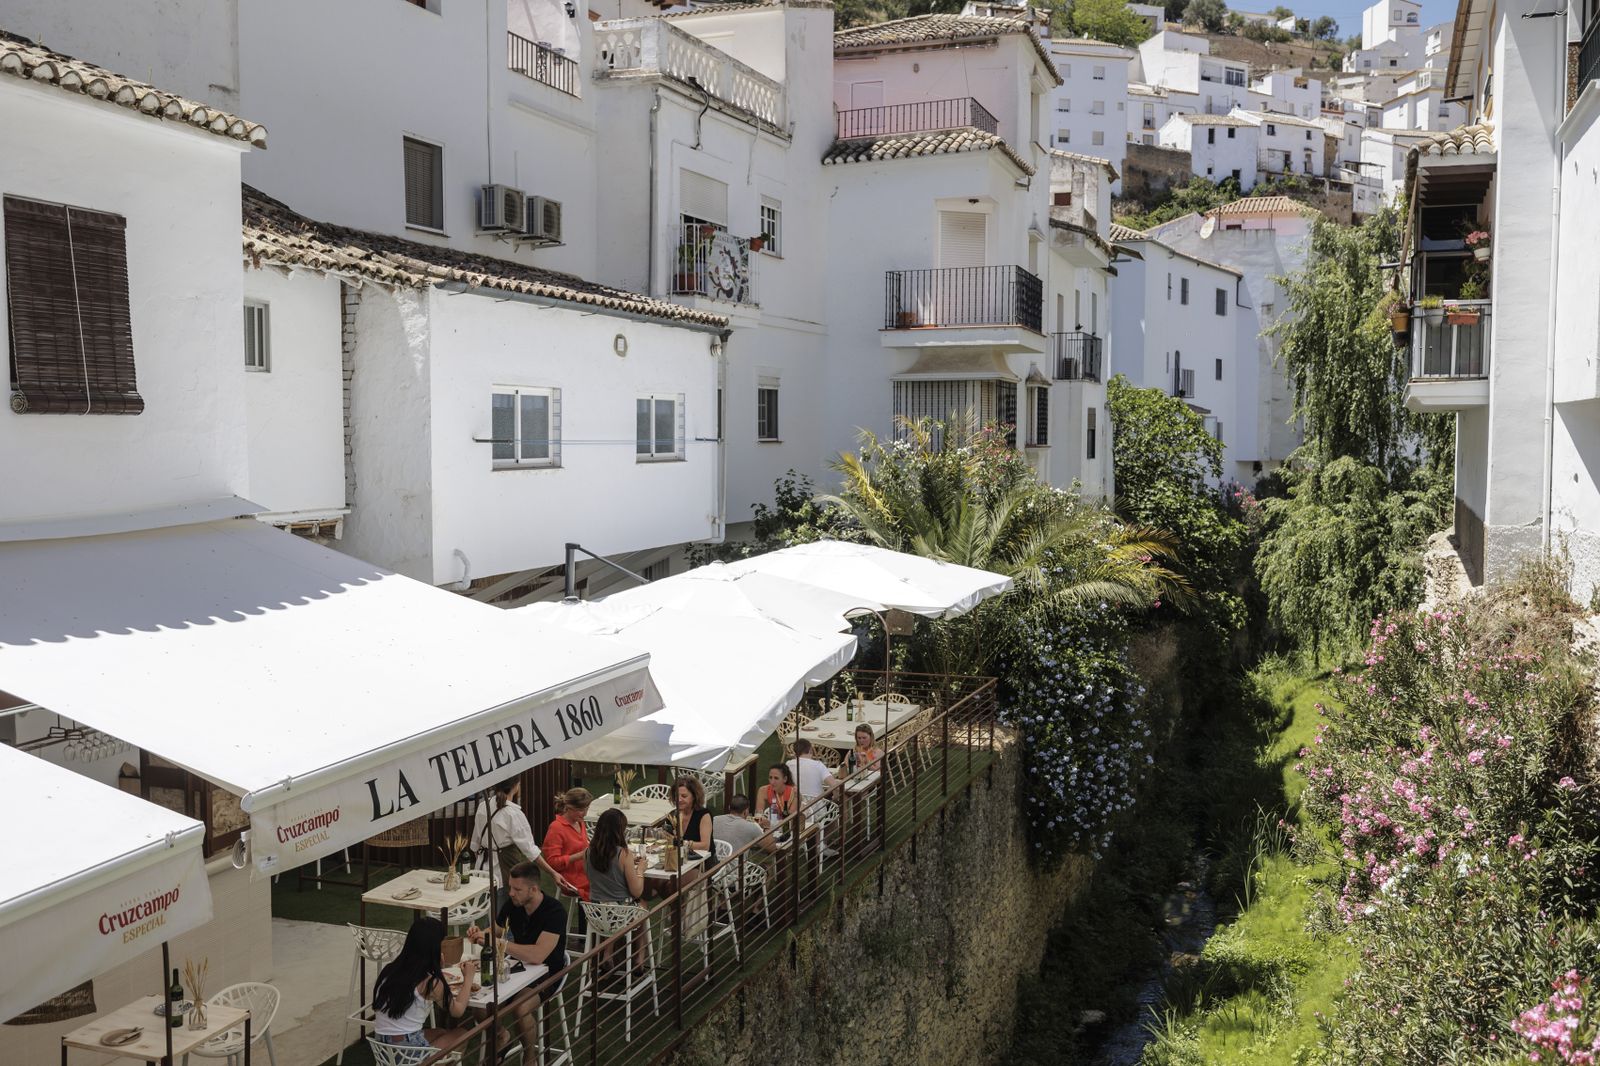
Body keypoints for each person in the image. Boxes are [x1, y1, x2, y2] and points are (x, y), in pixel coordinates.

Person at [467, 860, 567, 1053]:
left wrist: (500, 944)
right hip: (517, 969)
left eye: (517, 889)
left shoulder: (555, 912)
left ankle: (531, 1057)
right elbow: (494, 931)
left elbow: (538, 955)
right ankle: (502, 1035)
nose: (511, 893)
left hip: (547, 974)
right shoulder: (513, 904)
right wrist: (480, 934)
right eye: (511, 887)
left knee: (520, 1009)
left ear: (534, 889)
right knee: (480, 1007)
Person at [371, 916, 476, 1054]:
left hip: (382, 1047)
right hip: (406, 1052)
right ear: (433, 948)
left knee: (441, 1032)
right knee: (462, 1034)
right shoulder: (431, 983)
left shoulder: (390, 970)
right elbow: (457, 1011)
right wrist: (469, 977)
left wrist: (437, 969)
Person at [472, 778, 575, 911]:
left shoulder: (482, 806)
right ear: (516, 787)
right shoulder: (513, 814)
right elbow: (531, 852)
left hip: (482, 871)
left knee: (492, 915)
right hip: (503, 872)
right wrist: (553, 873)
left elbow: (475, 844)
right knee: (504, 918)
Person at [585, 807, 646, 904]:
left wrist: (628, 863)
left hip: (596, 910)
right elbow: (637, 892)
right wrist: (640, 870)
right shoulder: (624, 854)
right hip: (621, 912)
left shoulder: (587, 852)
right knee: (643, 902)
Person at [542, 787, 593, 904]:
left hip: (585, 872)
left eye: (587, 809)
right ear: (569, 808)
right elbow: (552, 863)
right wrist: (580, 855)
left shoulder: (580, 822)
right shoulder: (556, 827)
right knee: (608, 885)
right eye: (581, 810)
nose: (585, 814)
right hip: (570, 879)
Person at [669, 776, 715, 863]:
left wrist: (682, 843)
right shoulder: (673, 815)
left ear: (694, 796)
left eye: (684, 796)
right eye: (676, 796)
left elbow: (705, 846)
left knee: (678, 876)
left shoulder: (703, 815)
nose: (679, 799)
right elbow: (667, 840)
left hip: (702, 862)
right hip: (680, 860)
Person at [712, 795, 777, 856]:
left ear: (729, 807)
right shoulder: (751, 827)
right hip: (736, 866)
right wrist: (767, 827)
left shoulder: (714, 819)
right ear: (746, 811)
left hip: (713, 864)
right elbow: (771, 847)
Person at [755, 764, 796, 828]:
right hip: (771, 825)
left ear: (785, 779)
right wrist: (762, 819)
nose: (772, 782)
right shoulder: (763, 790)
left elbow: (790, 820)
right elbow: (759, 814)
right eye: (770, 777)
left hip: (789, 828)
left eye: (776, 778)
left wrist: (771, 824)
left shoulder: (794, 793)